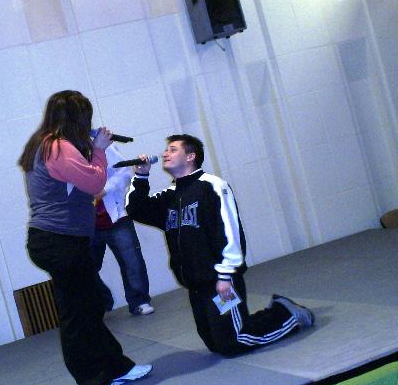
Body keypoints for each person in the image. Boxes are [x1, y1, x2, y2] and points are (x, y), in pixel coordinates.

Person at [125, 134, 314, 357]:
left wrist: (225, 275)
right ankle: (278, 309)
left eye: (173, 149)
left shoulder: (212, 186)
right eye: (166, 149)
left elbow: (230, 232)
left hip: (220, 282)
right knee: (215, 343)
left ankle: (288, 314)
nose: (165, 153)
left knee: (235, 341)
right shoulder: (171, 196)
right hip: (196, 285)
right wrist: (141, 175)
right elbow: (136, 209)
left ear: (190, 156)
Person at [18, 90, 151, 385]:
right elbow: (94, 183)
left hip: (61, 239)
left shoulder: (48, 143)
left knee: (89, 305)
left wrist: (94, 150)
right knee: (77, 315)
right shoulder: (56, 146)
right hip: (58, 241)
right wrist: (99, 149)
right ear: (78, 118)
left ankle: (115, 366)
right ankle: (92, 384)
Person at [91, 144, 154, 316]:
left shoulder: (105, 145)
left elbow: (125, 173)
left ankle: (139, 301)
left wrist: (103, 191)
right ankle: (101, 301)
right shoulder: (64, 151)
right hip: (85, 222)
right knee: (84, 267)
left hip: (117, 215)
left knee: (132, 262)